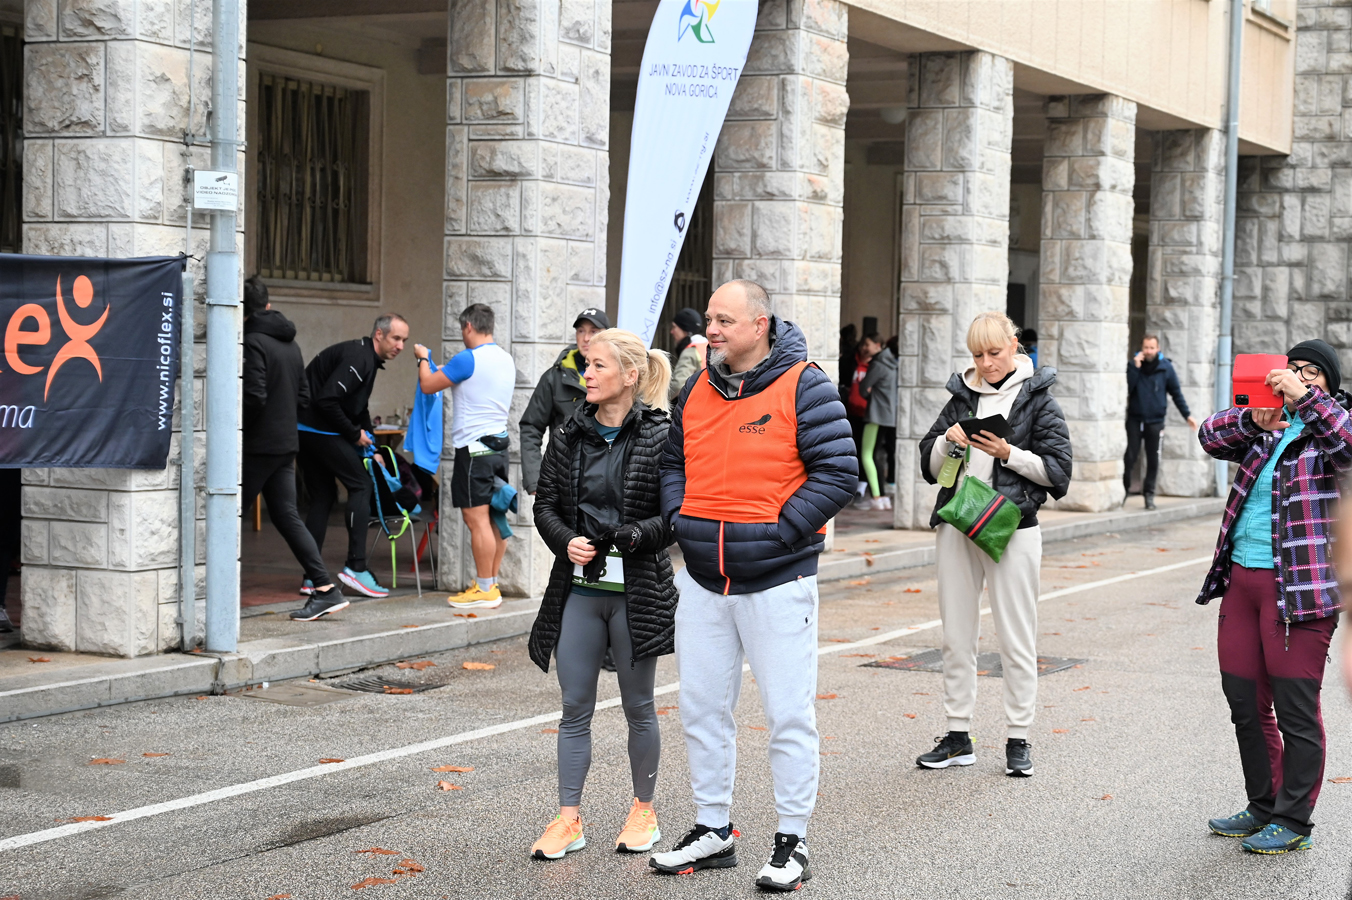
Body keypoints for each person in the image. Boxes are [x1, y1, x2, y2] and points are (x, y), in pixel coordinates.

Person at [651, 280, 855, 892]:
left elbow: (837, 473)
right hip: (703, 580)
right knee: (701, 711)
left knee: (788, 716)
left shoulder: (805, 384)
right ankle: (713, 829)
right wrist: (681, 519)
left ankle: (792, 841)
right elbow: (672, 463)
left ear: (760, 324)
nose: (710, 330)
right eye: (709, 319)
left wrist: (780, 534)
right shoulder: (696, 389)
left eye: (724, 320)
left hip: (777, 580)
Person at [525, 329, 676, 861]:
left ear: (630, 375)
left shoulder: (661, 433)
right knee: (574, 708)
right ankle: (569, 819)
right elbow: (545, 506)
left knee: (639, 706)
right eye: (585, 364)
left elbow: (675, 516)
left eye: (597, 366)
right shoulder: (569, 432)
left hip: (638, 591)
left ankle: (644, 812)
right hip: (579, 591)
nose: (585, 374)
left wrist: (635, 536)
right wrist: (566, 541)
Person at [1197, 339, 1350, 855]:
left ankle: (1294, 819)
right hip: (1243, 583)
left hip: (1301, 592)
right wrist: (1251, 420)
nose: (1299, 377)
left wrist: (1306, 400)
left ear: (1328, 383)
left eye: (1312, 372)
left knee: (1295, 709)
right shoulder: (1268, 427)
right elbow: (1209, 435)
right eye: (1292, 368)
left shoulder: (1333, 427)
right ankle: (1263, 805)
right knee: (1244, 701)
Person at [917, 311, 1072, 779]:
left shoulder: (1039, 399)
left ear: (1013, 344)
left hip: (1013, 526)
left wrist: (1009, 454)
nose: (986, 363)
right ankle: (958, 735)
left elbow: (1059, 474)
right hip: (958, 522)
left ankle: (1018, 737)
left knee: (1016, 636)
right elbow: (930, 467)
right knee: (955, 635)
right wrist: (947, 442)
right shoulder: (962, 396)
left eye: (994, 352)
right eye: (978, 354)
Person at [241, 277, 347, 620]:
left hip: (258, 446)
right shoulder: (291, 344)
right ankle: (325, 588)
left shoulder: (252, 342)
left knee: (227, 514)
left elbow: (253, 396)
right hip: (286, 444)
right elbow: (303, 397)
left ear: (242, 310)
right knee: (287, 516)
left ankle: (212, 594)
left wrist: (240, 429)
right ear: (268, 305)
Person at [297, 314, 409, 599]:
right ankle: (356, 567)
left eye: (404, 340)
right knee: (361, 484)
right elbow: (327, 399)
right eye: (396, 338)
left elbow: (358, 408)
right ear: (379, 335)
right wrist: (353, 434)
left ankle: (312, 577)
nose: (401, 346)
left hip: (305, 430)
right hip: (316, 429)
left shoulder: (366, 358)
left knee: (323, 497)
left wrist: (373, 447)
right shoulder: (360, 358)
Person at [413, 303, 515, 610]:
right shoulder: (505, 358)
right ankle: (490, 583)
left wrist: (422, 359)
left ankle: (484, 589)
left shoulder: (468, 359)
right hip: (498, 449)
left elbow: (428, 384)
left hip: (473, 451)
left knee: (476, 520)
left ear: (468, 326)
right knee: (494, 518)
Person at [519, 307, 609, 496]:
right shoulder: (555, 377)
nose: (586, 338)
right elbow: (531, 426)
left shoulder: (618, 377)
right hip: (564, 484)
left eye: (593, 331)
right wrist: (536, 480)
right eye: (581, 331)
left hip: (607, 483)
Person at [1124, 334, 1197, 510]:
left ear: (1158, 349)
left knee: (1153, 459)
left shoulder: (1166, 368)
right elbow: (1127, 388)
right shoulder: (1133, 366)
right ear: (1142, 348)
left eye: (1152, 348)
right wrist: (1136, 368)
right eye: (1146, 348)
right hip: (1135, 420)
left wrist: (1187, 415)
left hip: (1156, 422)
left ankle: (1149, 496)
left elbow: (1176, 393)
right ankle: (1124, 492)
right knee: (1130, 458)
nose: (1148, 351)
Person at [854, 332, 896, 511]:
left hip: (875, 414)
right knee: (877, 455)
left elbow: (863, 388)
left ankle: (876, 497)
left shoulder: (877, 364)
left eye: (868, 344)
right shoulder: (893, 364)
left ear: (878, 345)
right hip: (889, 416)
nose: (865, 348)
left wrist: (870, 397)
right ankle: (883, 497)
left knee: (866, 455)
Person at [667, 306, 708, 401]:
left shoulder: (690, 352)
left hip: (696, 403)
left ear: (685, 329)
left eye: (674, 327)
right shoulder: (707, 346)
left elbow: (678, 385)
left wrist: (658, 400)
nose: (672, 331)